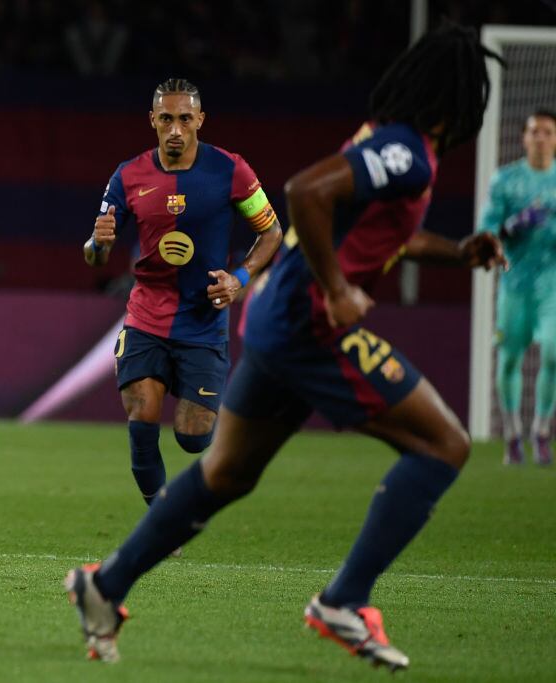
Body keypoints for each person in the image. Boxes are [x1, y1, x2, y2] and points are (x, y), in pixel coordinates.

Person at [66, 25, 505, 670]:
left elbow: (381, 235)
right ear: (461, 99)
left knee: (224, 472)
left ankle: (103, 588)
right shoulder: (406, 151)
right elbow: (306, 192)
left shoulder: (390, 146)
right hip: (307, 326)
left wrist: (456, 251)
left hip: (273, 320)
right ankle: (344, 600)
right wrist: (338, 290)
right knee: (445, 445)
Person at [84, 78, 282, 518]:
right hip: (146, 314)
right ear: (153, 120)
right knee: (141, 411)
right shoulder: (129, 175)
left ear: (200, 121)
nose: (176, 129)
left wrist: (240, 279)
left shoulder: (231, 171)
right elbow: (95, 256)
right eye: (167, 119)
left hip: (203, 319)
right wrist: (98, 243)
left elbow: (271, 233)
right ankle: (162, 516)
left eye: (185, 119)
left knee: (194, 437)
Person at [480, 109, 556, 466]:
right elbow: (486, 234)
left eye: (547, 131)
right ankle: (512, 435)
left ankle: (541, 433)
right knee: (509, 359)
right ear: (524, 138)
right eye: (534, 131)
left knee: (554, 353)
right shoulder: (505, 181)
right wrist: (511, 227)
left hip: (551, 284)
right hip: (513, 284)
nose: (540, 137)